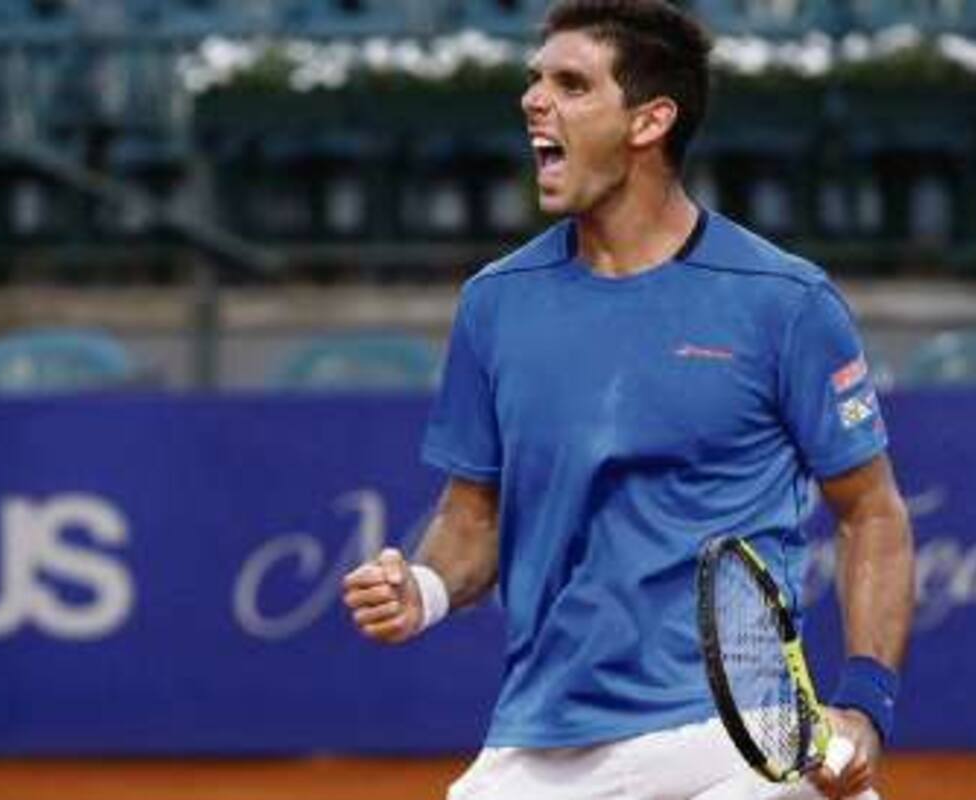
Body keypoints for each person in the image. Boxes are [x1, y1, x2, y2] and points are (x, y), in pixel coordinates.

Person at [342, 2, 914, 798]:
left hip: (736, 735)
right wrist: (426, 591)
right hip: (542, 736)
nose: (533, 101)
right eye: (535, 81)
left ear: (651, 121)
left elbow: (872, 512)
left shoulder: (785, 303)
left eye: (571, 84)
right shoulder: (494, 304)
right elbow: (472, 517)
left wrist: (864, 705)